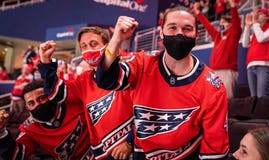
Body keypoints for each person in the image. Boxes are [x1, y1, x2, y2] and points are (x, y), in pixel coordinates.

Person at [95, 6, 229, 159]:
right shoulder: (142, 64)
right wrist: (116, 39)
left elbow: (215, 151)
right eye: (172, 27)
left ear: (197, 35)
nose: (179, 33)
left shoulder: (212, 87)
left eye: (187, 28)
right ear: (161, 32)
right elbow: (105, 80)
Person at [38, 26, 133, 160]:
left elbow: (148, 109)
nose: (88, 49)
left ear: (107, 46)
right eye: (84, 46)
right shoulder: (84, 80)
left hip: (130, 150)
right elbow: (56, 93)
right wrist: (45, 61)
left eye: (93, 44)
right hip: (102, 153)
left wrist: (130, 141)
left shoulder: (126, 71)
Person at [0, 80, 93, 160]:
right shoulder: (30, 128)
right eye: (31, 103)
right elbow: (17, 156)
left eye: (41, 98)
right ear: (27, 107)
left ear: (50, 95)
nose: (38, 105)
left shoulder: (72, 101)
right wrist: (2, 132)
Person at [193, 0, 242, 99]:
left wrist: (232, 6)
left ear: (230, 24)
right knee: (214, 99)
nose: (221, 24)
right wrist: (198, 13)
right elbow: (208, 26)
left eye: (223, 22)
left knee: (226, 99)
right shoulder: (217, 36)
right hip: (215, 71)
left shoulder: (233, 34)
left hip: (227, 70)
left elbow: (236, 21)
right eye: (220, 22)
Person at [242, 8, 269, 97]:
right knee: (254, 98)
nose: (256, 16)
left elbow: (262, 38)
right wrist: (247, 27)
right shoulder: (257, 30)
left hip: (264, 64)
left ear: (267, 17)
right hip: (251, 65)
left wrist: (255, 22)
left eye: (259, 14)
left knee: (262, 97)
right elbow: (245, 44)